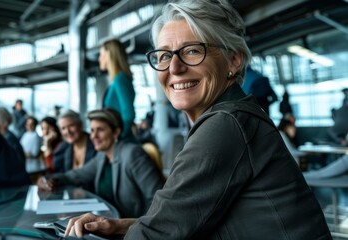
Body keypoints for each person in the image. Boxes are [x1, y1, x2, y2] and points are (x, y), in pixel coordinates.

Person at [64, 0, 331, 239]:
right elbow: (180, 222)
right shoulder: (232, 115)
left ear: (233, 60)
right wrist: (119, 226)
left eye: (192, 51)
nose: (175, 68)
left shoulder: (226, 123)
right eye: (165, 55)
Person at [37, 108, 163, 218]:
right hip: (107, 221)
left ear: (116, 132)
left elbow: (157, 199)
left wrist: (143, 227)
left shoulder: (132, 154)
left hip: (130, 227)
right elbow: (75, 175)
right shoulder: (102, 156)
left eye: (100, 130)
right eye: (92, 130)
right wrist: (47, 179)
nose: (94, 136)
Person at [99, 39, 137, 142]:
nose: (99, 59)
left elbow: (129, 114)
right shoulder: (117, 80)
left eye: (101, 54)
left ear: (109, 54)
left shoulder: (120, 79)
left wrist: (118, 137)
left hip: (123, 142)